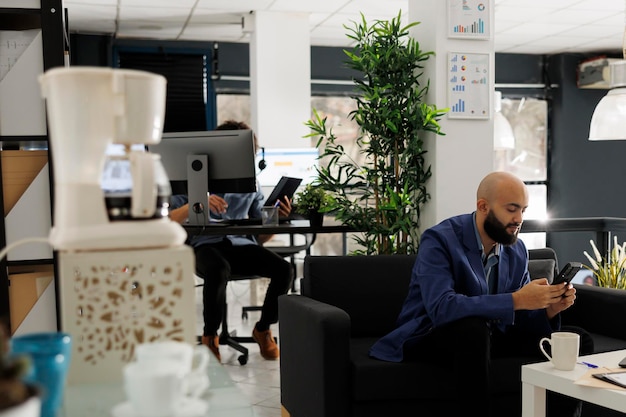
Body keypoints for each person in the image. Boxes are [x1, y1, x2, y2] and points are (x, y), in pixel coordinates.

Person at [369, 171, 590, 417]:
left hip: (491, 335)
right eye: (511, 209)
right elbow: (442, 308)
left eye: (523, 210)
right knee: (472, 331)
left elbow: (519, 316)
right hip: (432, 334)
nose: (519, 219)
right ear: (483, 207)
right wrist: (516, 300)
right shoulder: (439, 240)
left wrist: (549, 309)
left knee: (575, 338)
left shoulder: (516, 249)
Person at [169, 120, 293, 362]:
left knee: (284, 268)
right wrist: (199, 200)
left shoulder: (250, 184)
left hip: (241, 245)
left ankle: (263, 328)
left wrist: (277, 219)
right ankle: (210, 338)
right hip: (203, 247)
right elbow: (171, 219)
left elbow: (261, 236)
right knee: (218, 268)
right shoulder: (190, 178)